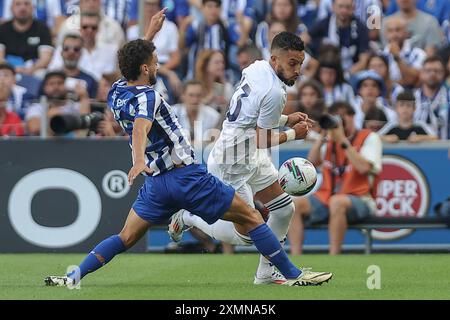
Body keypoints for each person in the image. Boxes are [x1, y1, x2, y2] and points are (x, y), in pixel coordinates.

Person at [44, 11, 332, 287]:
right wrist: (137, 158)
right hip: (186, 176)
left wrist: (150, 34)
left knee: (125, 238)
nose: (157, 66)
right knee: (252, 219)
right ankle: (290, 272)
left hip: (156, 184)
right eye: (155, 62)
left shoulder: (117, 91)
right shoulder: (148, 97)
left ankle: (73, 277)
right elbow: (143, 126)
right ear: (146, 68)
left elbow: (133, 62)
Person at [169, 31, 323, 285]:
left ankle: (266, 272)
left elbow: (251, 114)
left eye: (300, 64)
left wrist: (285, 119)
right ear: (275, 60)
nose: (297, 70)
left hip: (250, 153)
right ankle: (188, 217)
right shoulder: (275, 92)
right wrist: (293, 134)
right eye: (292, 64)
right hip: (232, 161)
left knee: (284, 209)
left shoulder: (256, 68)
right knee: (246, 235)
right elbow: (263, 137)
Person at [288, 101, 382, 255]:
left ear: (353, 117)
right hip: (327, 197)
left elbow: (364, 168)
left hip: (361, 199)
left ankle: (334, 257)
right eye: (335, 116)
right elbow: (311, 163)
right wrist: (322, 137)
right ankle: (295, 258)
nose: (339, 120)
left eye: (343, 115)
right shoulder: (330, 140)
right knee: (294, 204)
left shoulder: (369, 137)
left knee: (337, 202)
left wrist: (342, 140)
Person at [25, 71, 90, 136]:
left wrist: (84, 97)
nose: (56, 87)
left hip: (73, 144)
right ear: (44, 87)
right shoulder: (37, 107)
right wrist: (49, 117)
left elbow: (85, 126)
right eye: (51, 84)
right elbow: (34, 128)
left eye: (60, 83)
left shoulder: (75, 106)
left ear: (66, 86)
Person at [0, 0, 53, 76]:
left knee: (42, 74)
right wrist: (13, 69)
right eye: (18, 4)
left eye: (26, 4)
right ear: (11, 8)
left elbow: (45, 58)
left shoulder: (42, 28)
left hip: (34, 70)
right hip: (8, 69)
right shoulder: (3, 29)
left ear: (33, 8)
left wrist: (31, 69)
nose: (23, 7)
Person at [48, 34, 98, 99]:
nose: (71, 53)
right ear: (61, 52)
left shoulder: (90, 80)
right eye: (66, 49)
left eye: (76, 49)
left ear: (81, 53)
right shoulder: (50, 78)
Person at [382, 16, 426, 87]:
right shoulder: (381, 55)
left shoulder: (418, 54)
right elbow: (379, 82)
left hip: (411, 96)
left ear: (406, 33)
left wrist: (397, 57)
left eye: (398, 30)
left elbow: (411, 80)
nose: (394, 34)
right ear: (385, 34)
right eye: (390, 31)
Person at [414, 56, 450, 140]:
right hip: (415, 150)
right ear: (421, 73)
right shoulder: (412, 97)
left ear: (443, 74)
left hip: (445, 149)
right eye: (428, 70)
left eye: (437, 71)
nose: (432, 74)